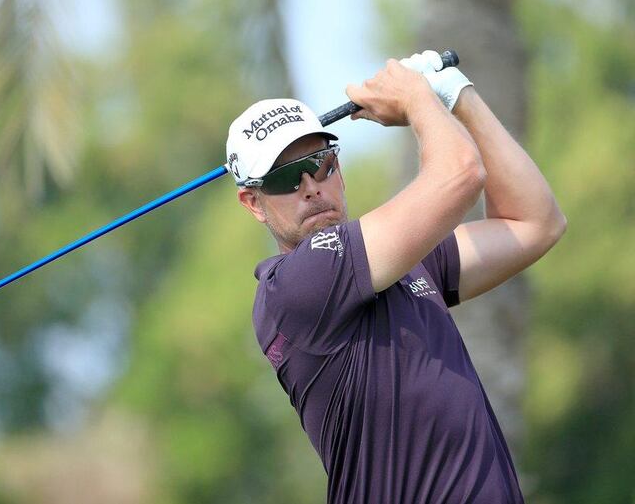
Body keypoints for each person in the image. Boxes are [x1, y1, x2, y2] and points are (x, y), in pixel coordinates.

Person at [224, 50, 566, 503]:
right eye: (286, 177)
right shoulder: (295, 285)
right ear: (252, 202)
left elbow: (536, 223)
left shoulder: (404, 263)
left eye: (322, 163)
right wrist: (417, 98)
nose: (311, 187)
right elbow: (461, 174)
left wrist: (457, 95)